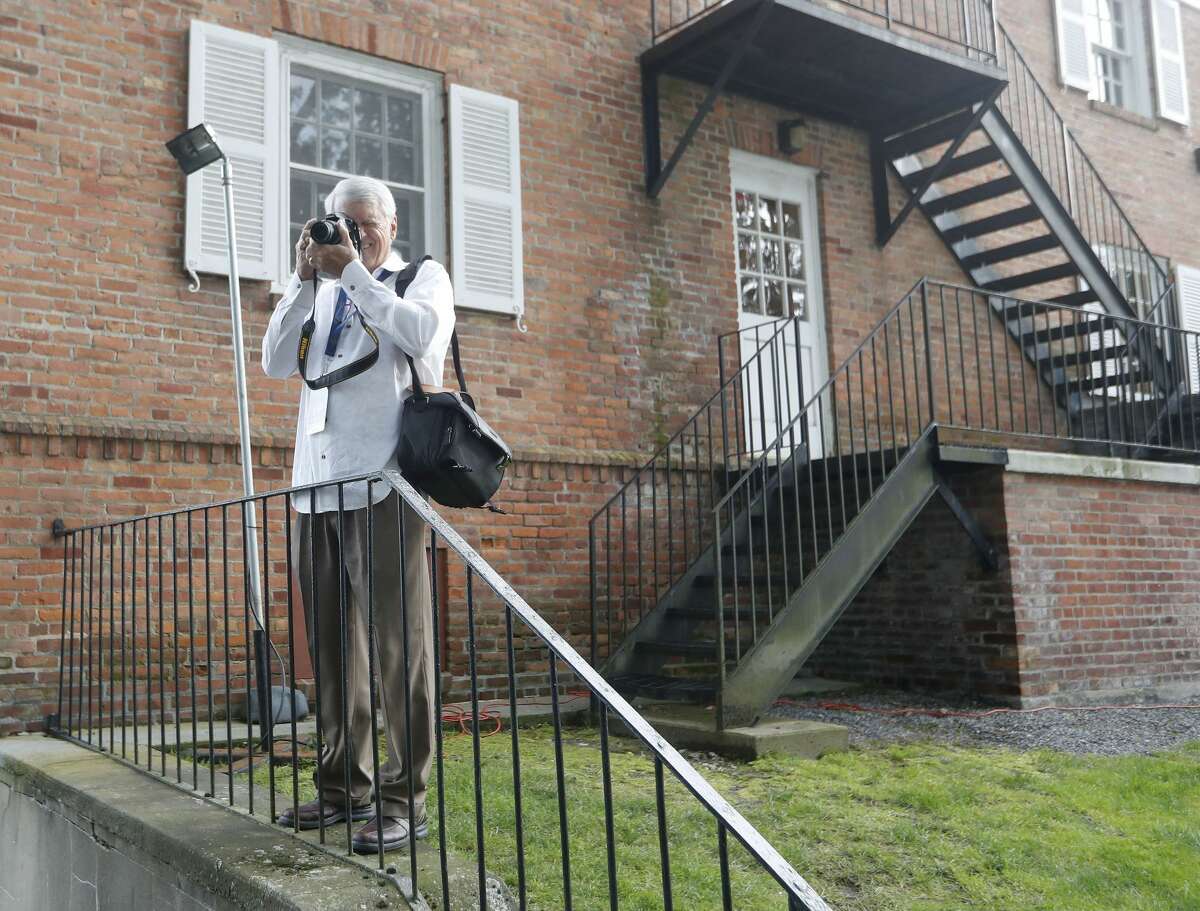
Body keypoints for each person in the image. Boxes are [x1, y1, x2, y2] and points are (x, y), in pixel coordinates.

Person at [261, 175, 454, 853]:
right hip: (316, 487)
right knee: (335, 652)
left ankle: (406, 797)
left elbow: (424, 335)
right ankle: (344, 785)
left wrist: (357, 277)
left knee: (399, 649)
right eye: (340, 224)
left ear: (391, 227)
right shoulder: (322, 291)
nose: (352, 234)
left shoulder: (418, 279)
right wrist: (304, 281)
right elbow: (276, 362)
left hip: (384, 487)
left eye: (365, 223)